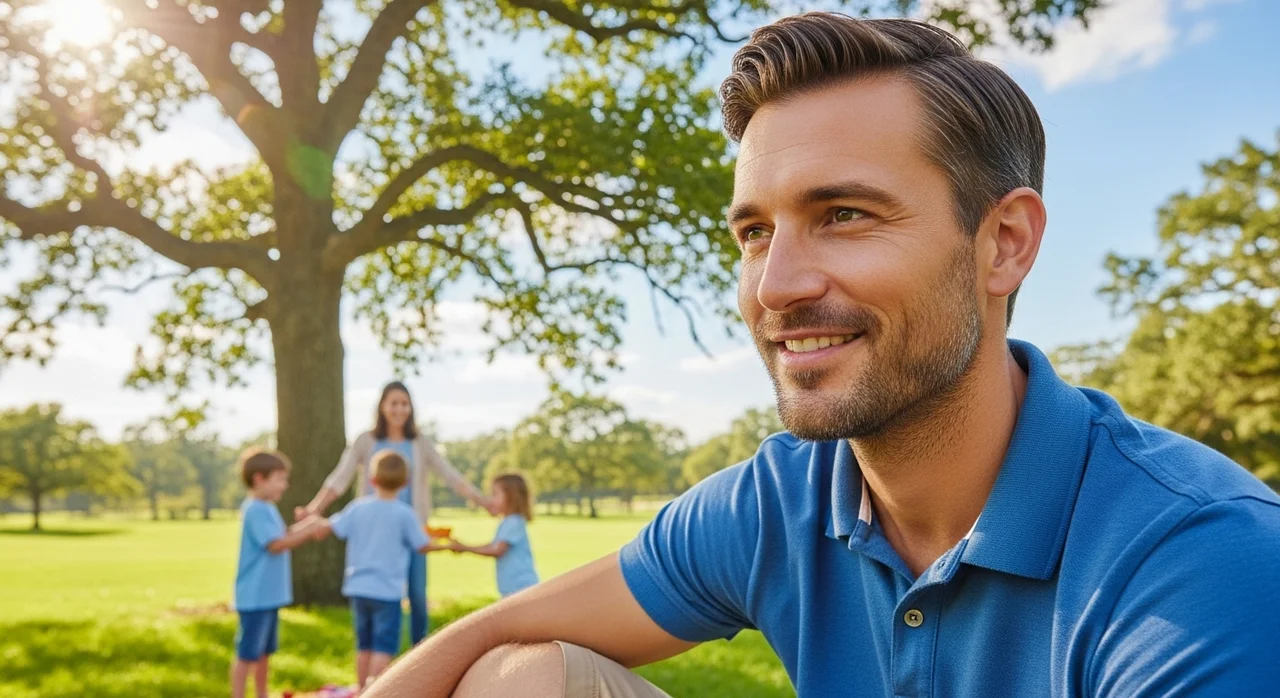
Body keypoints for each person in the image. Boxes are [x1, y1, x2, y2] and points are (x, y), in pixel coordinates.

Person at [366, 13, 1280, 698]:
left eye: (843, 215)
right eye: (756, 231)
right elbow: (489, 634)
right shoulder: (783, 500)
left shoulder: (1201, 558)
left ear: (1003, 244)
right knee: (523, 678)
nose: (776, 286)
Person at [297, 381, 498, 648]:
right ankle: (374, 656)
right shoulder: (366, 441)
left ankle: (419, 652)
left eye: (405, 403)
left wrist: (482, 501)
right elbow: (340, 478)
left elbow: (451, 476)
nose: (399, 409)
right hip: (377, 531)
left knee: (416, 593)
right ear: (382, 406)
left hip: (412, 527)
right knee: (377, 593)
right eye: (394, 403)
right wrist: (314, 509)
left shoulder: (419, 443)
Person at [306, 450, 450, 692]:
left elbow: (331, 527)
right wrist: (448, 545)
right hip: (388, 592)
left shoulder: (358, 508)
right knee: (383, 646)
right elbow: (421, 545)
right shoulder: (405, 514)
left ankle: (363, 689)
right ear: (405, 483)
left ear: (372, 480)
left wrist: (308, 523)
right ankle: (377, 692)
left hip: (358, 589)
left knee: (365, 645)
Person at [231, 448, 325, 698]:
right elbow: (276, 545)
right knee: (247, 653)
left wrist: (308, 525)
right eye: (280, 479)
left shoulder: (268, 507)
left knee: (264, 653)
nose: (285, 485)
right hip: (255, 597)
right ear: (260, 479)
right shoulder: (255, 509)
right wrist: (308, 530)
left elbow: (283, 534)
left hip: (269, 596)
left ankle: (262, 694)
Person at [446, 474, 541, 598]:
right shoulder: (509, 521)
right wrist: (464, 546)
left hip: (521, 587)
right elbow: (494, 545)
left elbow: (497, 550)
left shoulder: (513, 522)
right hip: (514, 587)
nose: (491, 499)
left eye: (495, 494)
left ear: (511, 497)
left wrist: (466, 548)